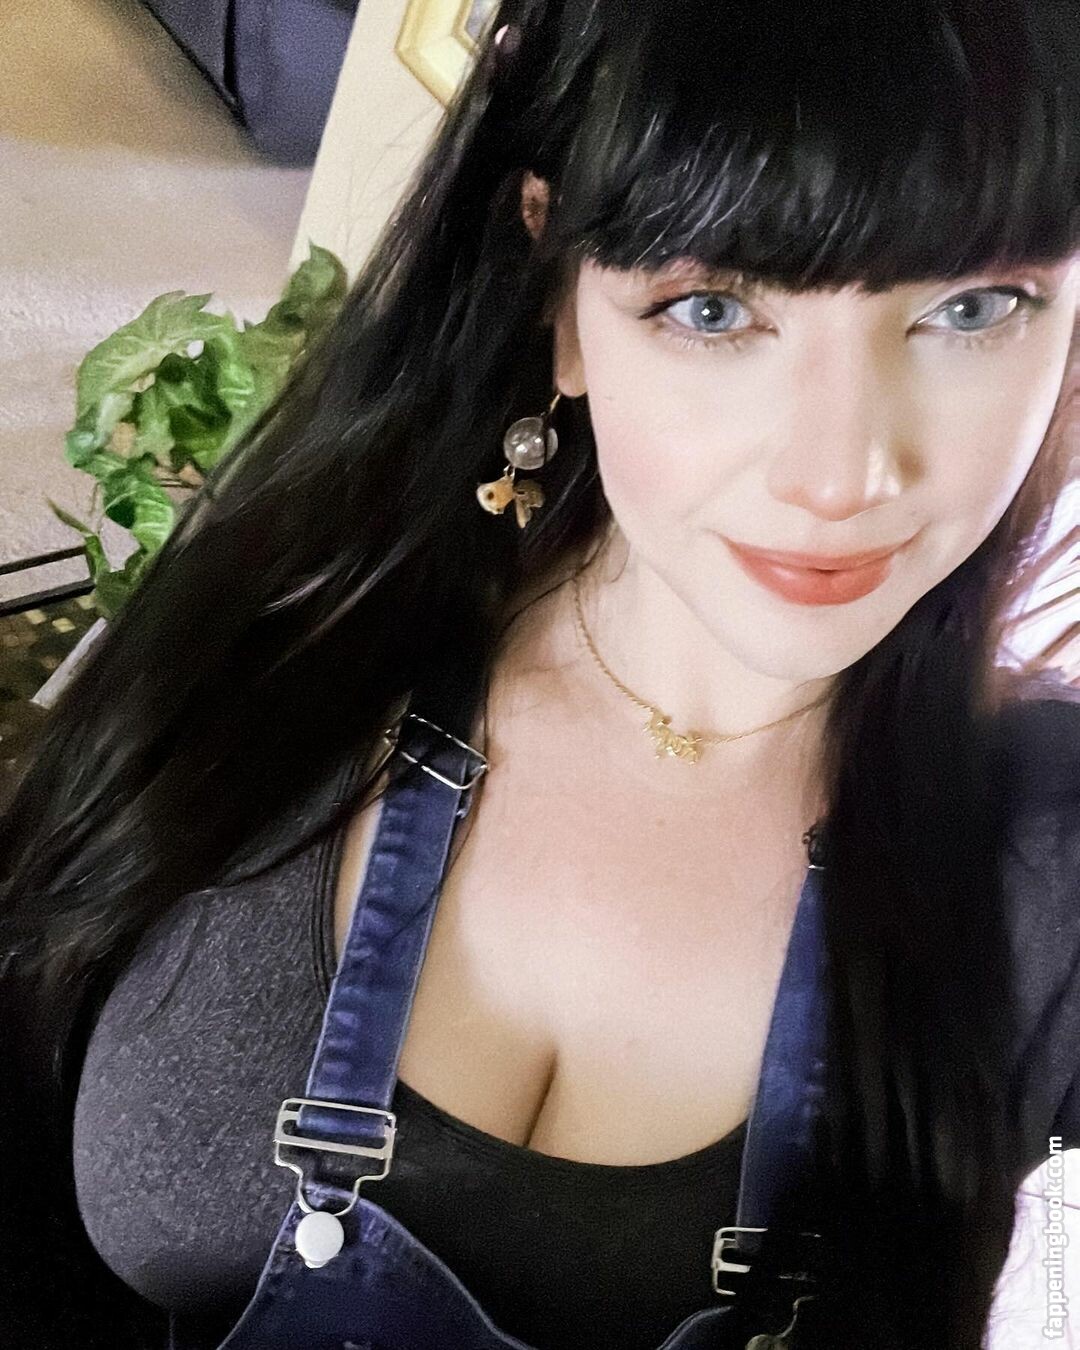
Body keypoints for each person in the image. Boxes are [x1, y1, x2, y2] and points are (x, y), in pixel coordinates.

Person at [1, 1, 1078, 1347]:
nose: (840, 474)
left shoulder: (1042, 857)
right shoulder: (297, 620)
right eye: (712, 308)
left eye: (974, 308)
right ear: (562, 291)